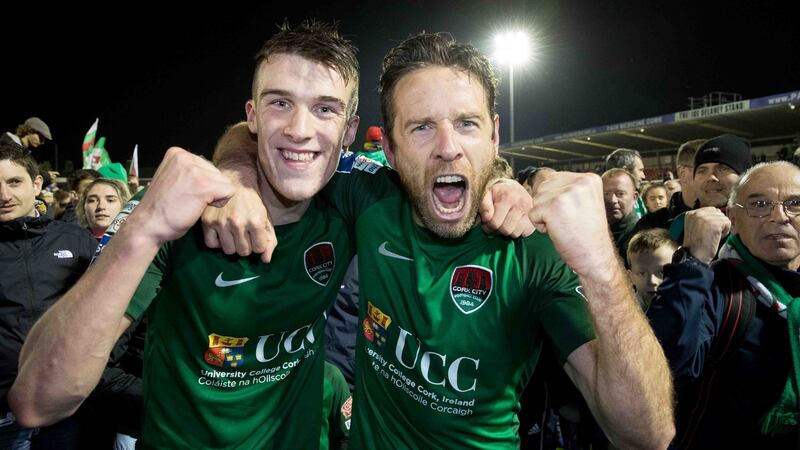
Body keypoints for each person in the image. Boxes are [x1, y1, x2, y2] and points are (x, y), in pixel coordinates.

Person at [8, 21, 533, 449]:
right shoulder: (176, 212)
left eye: (325, 108)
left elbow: (445, 169)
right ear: (252, 117)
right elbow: (37, 401)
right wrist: (145, 227)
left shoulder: (352, 194)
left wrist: (509, 187)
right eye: (280, 103)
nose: (301, 129)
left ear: (348, 133)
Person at [208, 32, 674, 448]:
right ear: (388, 148)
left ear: (494, 134)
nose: (448, 146)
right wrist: (237, 174)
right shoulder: (369, 200)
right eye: (422, 127)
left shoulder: (533, 251)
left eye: (467, 124)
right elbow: (272, 136)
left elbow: (646, 434)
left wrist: (599, 268)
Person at [648, 161, 800, 449]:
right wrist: (691, 263)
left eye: (795, 203)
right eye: (759, 204)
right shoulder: (712, 286)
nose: (779, 216)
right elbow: (662, 374)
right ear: (732, 217)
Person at [0, 143, 97, 448]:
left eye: (14, 182)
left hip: (68, 408)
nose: (4, 195)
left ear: (37, 184)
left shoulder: (77, 240)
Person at [668, 134, 752, 241]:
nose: (711, 177)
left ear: (745, 176)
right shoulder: (678, 228)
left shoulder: (766, 227)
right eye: (702, 170)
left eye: (723, 168)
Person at [626, 228, 678, 309]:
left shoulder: (689, 307)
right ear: (631, 278)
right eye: (642, 273)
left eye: (662, 272)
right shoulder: (626, 313)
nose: (652, 281)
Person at [601, 168, 640, 258]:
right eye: (606, 194)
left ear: (634, 197)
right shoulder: (593, 230)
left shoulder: (641, 236)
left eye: (620, 194)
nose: (612, 200)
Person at [605, 148, 647, 218]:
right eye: (640, 170)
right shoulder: (603, 203)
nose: (643, 176)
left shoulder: (637, 196)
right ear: (625, 171)